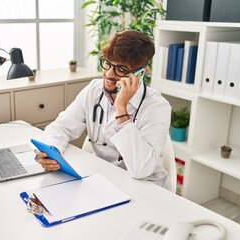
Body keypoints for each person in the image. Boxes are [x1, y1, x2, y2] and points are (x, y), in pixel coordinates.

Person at [36, 30, 172, 190]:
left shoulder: (157, 107)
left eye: (120, 69)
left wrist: (121, 108)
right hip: (105, 180)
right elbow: (62, 126)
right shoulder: (94, 89)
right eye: (107, 63)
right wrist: (51, 150)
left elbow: (140, 169)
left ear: (140, 74)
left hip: (148, 188)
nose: (108, 74)